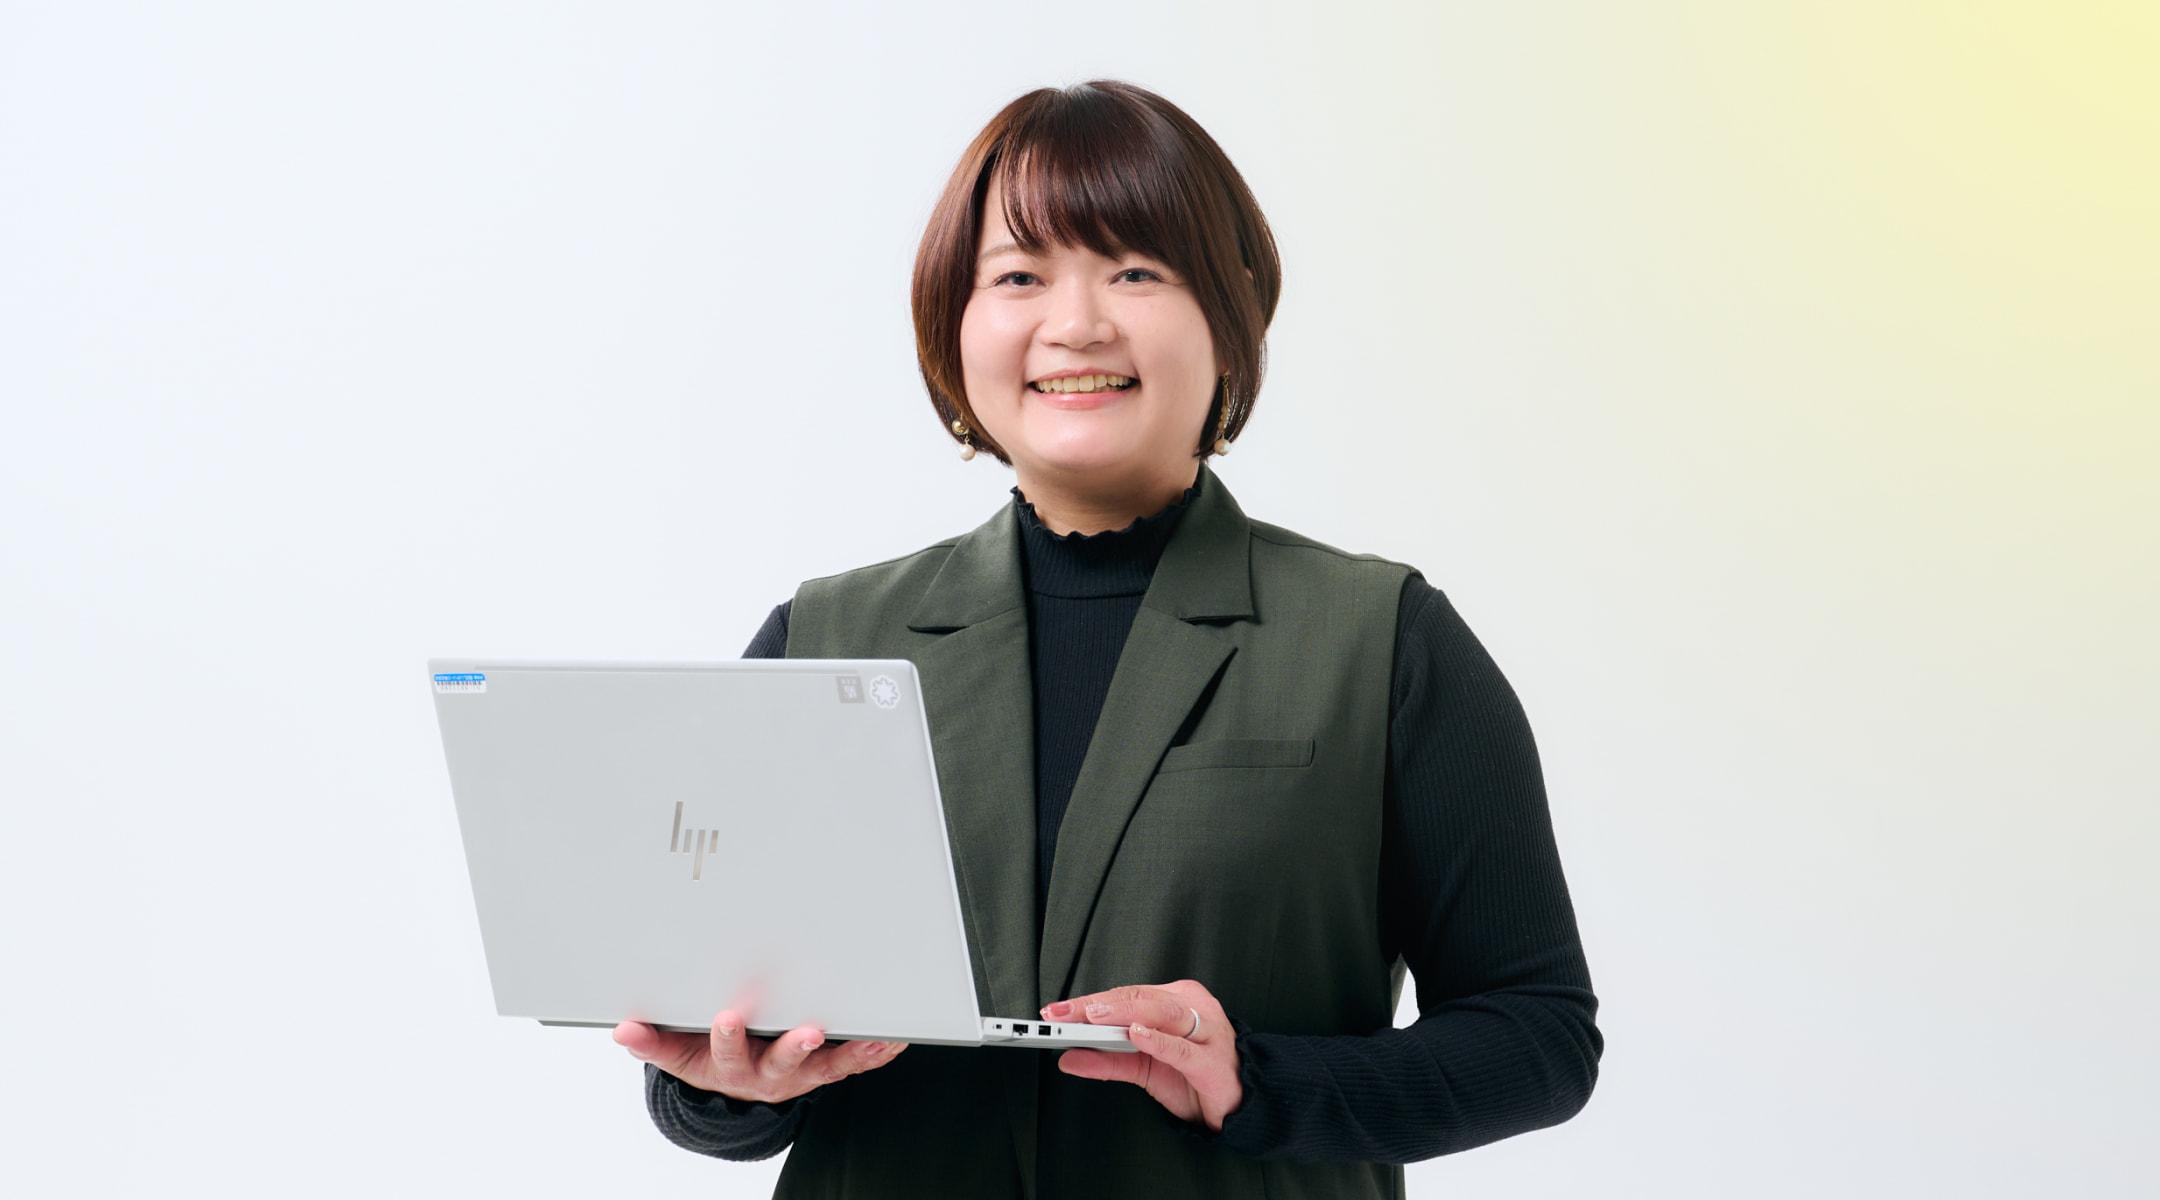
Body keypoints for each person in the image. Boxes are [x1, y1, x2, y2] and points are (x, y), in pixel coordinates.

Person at [611, 80, 1600, 1199]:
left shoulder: (1382, 641)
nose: (1076, 324)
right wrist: (730, 1086)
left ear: (1228, 314)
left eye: (1135, 270)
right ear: (953, 325)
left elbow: (1540, 1036)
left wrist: (1257, 1082)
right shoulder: (824, 641)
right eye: (1018, 276)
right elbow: (709, 1075)